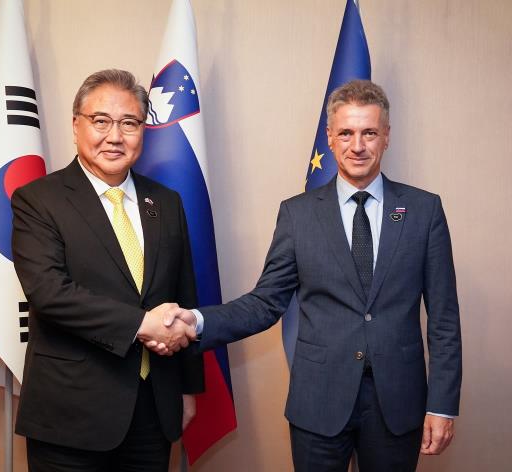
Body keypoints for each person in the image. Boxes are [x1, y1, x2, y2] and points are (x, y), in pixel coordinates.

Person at [154, 80, 462, 471]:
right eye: (346, 133)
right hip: (319, 402)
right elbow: (266, 302)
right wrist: (197, 320)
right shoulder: (297, 214)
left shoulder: (424, 210)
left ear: (386, 137)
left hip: (398, 404)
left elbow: (444, 319)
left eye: (369, 133)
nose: (358, 145)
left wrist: (442, 403)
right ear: (330, 139)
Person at [11, 69, 202, 471]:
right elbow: (49, 292)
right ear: (76, 125)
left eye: (129, 123)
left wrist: (186, 389)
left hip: (153, 410)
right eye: (101, 121)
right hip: (70, 416)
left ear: (142, 131)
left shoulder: (166, 202)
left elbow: (184, 293)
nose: (115, 136)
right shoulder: (38, 200)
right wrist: (141, 324)